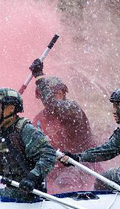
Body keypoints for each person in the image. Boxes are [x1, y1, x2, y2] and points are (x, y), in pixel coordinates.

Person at [29, 59, 94, 190]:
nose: (48, 98)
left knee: (64, 183)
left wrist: (39, 77)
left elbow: (53, 106)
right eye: (45, 96)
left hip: (80, 164)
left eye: (55, 94)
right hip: (53, 167)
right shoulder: (39, 119)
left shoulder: (72, 109)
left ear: (63, 94)